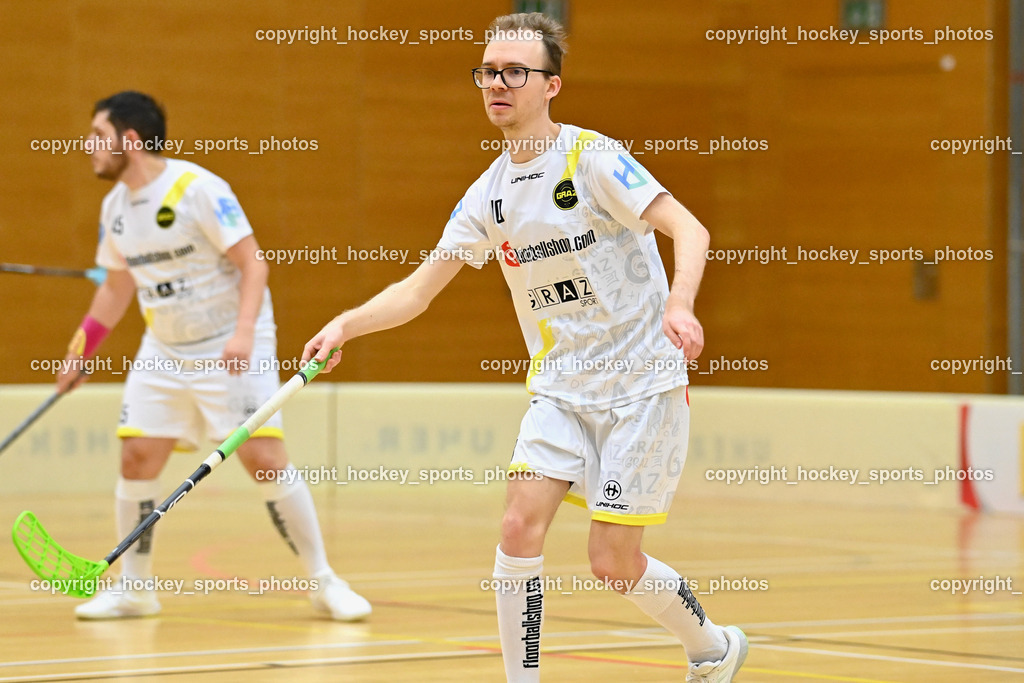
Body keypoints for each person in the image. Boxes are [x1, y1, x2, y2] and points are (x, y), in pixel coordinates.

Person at [302, 12, 747, 682]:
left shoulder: (592, 159)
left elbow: (689, 227)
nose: (497, 84)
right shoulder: (488, 195)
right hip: (562, 389)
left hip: (641, 387)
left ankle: (713, 648)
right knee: (517, 527)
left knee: (613, 562)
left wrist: (679, 302)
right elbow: (419, 291)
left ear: (551, 85)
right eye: (488, 71)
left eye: (516, 72)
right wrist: (345, 324)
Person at [56, 91, 371, 622]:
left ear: (129, 140)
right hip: (164, 349)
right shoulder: (115, 209)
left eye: (97, 135)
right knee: (136, 457)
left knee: (264, 461)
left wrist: (244, 332)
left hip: (231, 341)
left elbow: (253, 264)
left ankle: (324, 581)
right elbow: (115, 287)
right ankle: (134, 589)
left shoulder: (197, 189)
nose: (88, 146)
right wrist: (80, 351)